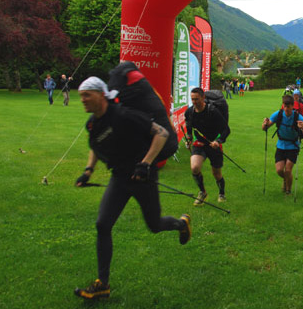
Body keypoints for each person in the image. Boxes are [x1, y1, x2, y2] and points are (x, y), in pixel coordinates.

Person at [73, 77, 191, 300]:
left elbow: (162, 134)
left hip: (142, 176)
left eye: (87, 95)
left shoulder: (123, 115)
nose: (83, 100)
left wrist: (145, 164)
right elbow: (95, 145)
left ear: (100, 94)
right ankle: (103, 284)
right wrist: (88, 170)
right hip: (119, 178)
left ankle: (181, 223)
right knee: (102, 224)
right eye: (81, 96)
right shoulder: (92, 123)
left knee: (154, 225)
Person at [184, 87, 230, 205]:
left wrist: (218, 141)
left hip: (213, 144)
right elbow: (189, 128)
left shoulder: (213, 111)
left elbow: (226, 129)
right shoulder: (190, 112)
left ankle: (221, 193)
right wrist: (188, 139)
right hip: (199, 143)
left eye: (197, 99)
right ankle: (202, 192)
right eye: (192, 99)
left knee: (216, 173)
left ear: (203, 98)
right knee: (195, 167)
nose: (194, 102)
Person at [262, 95, 303, 195]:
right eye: (285, 106)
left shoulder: (298, 117)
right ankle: (286, 180)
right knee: (279, 170)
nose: (286, 109)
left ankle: (288, 189)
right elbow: (265, 128)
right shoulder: (278, 114)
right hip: (281, 145)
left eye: (288, 107)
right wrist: (265, 123)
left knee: (288, 170)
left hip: (293, 146)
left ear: (293, 106)